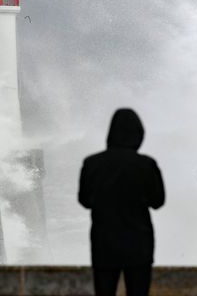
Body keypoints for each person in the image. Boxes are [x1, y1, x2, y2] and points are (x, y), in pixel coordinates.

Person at [78, 108, 165, 296]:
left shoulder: (92, 163)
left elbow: (84, 200)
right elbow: (158, 201)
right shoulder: (146, 164)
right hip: (139, 245)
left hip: (104, 243)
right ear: (139, 134)